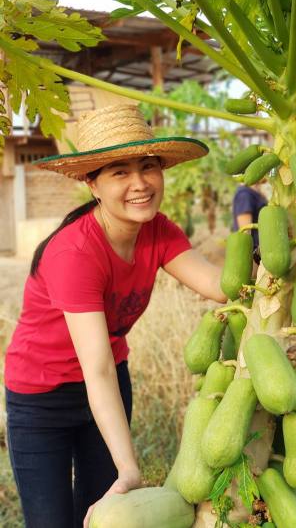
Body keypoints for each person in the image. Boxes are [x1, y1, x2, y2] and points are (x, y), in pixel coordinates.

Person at [4, 104, 227, 528]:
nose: (140, 183)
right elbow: (97, 367)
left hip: (109, 384)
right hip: (41, 399)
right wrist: (129, 468)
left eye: (148, 167)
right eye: (119, 172)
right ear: (93, 184)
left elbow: (219, 286)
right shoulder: (75, 252)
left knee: (105, 515)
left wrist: (269, 248)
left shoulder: (159, 230)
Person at [232, 181, 267, 252]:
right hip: (255, 252)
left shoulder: (255, 192)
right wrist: (249, 255)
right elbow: (245, 230)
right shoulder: (244, 195)